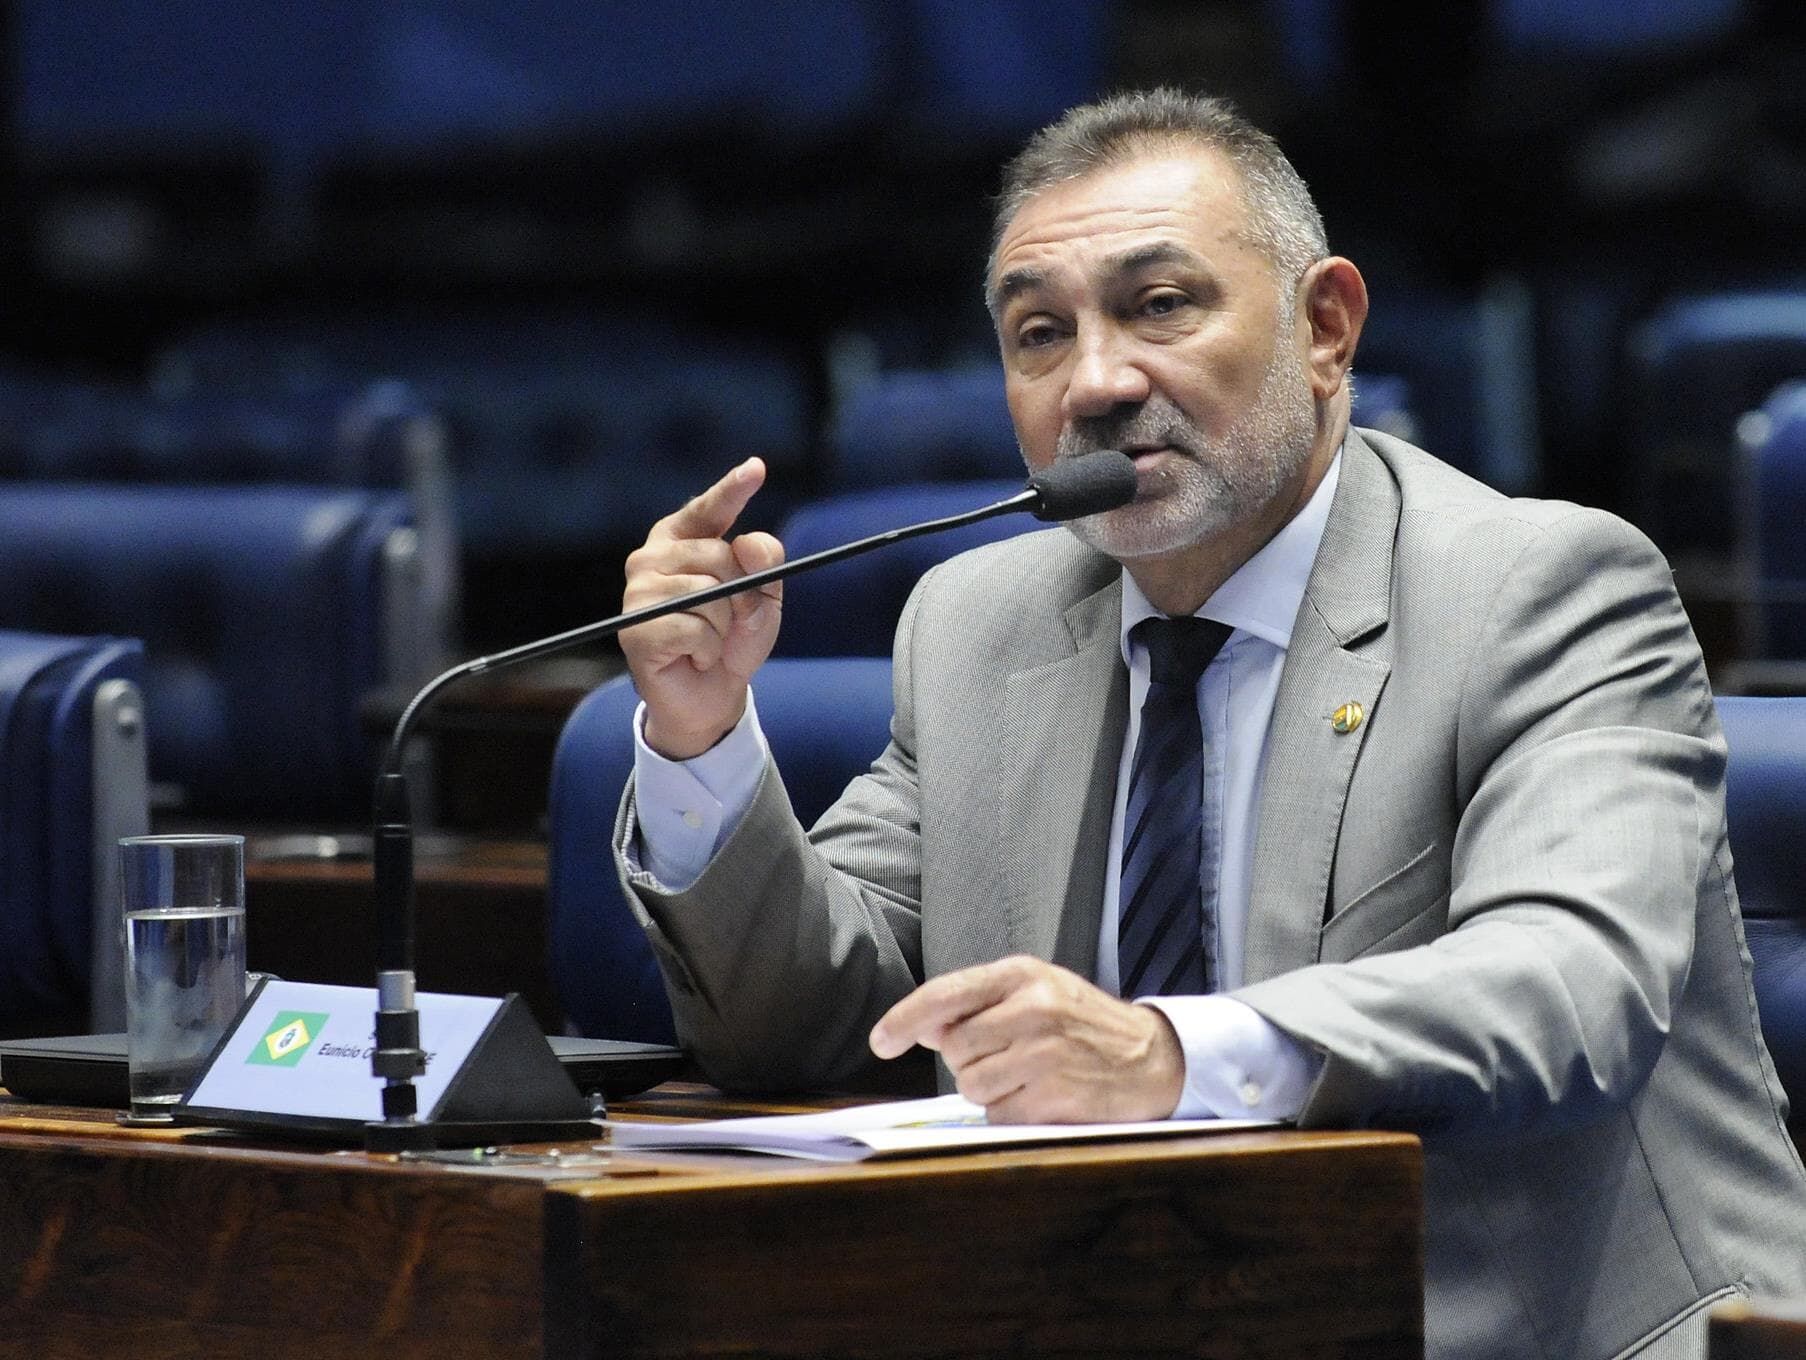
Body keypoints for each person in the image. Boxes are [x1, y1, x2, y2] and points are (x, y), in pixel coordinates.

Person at [610, 89, 1806, 1359]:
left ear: (1325, 328)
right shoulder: (978, 625)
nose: (1096, 383)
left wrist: (1165, 1054)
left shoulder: (1540, 587)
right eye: (1038, 334)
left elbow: (1568, 987)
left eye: (1161, 305)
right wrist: (700, 733)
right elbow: (803, 1022)